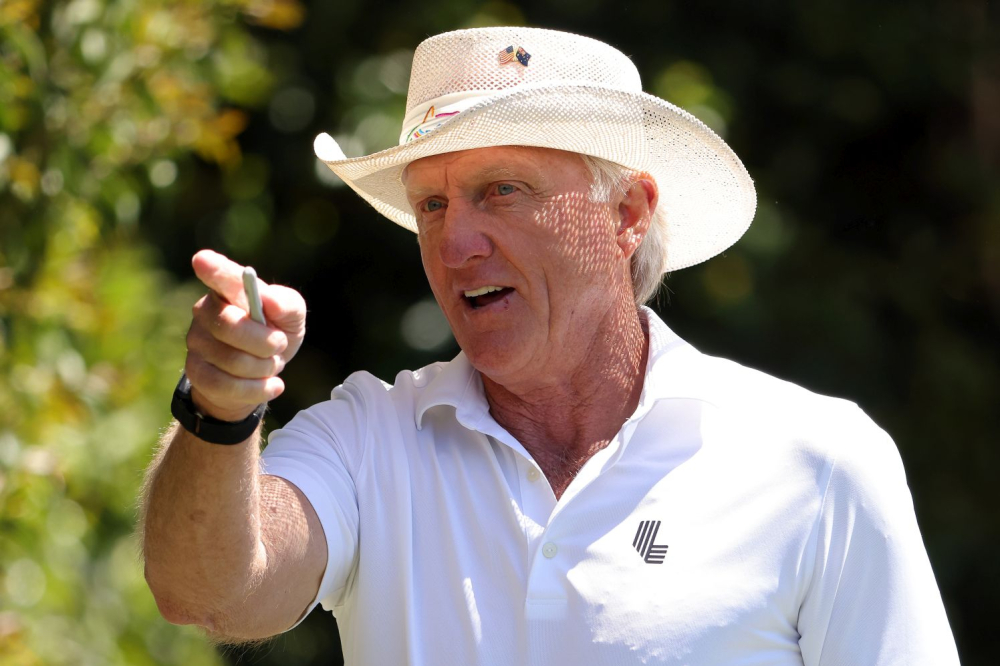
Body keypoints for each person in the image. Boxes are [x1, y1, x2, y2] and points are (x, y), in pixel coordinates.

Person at [141, 27, 961, 665]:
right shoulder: (368, 437)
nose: (454, 244)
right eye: (431, 205)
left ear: (627, 214)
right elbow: (205, 592)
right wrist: (221, 407)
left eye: (502, 190)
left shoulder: (818, 462)